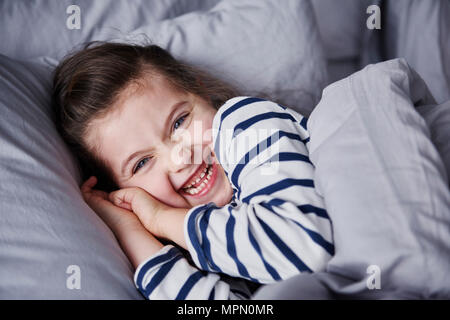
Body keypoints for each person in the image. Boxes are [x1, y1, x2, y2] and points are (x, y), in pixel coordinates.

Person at [52, 41, 334, 299]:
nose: (180, 159)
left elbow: (305, 251)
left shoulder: (246, 125)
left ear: (202, 93)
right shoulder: (200, 249)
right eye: (142, 163)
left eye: (179, 122)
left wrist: (161, 218)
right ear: (122, 192)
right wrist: (130, 231)